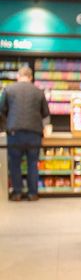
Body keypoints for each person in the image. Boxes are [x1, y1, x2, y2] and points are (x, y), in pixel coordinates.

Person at [0, 65, 50, 201]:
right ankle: (32, 193)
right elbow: (45, 113)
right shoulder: (39, 92)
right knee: (32, 163)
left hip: (14, 132)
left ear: (18, 76)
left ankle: (17, 193)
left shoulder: (8, 90)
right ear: (31, 77)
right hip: (34, 132)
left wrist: (6, 125)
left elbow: (1, 110)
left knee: (15, 163)